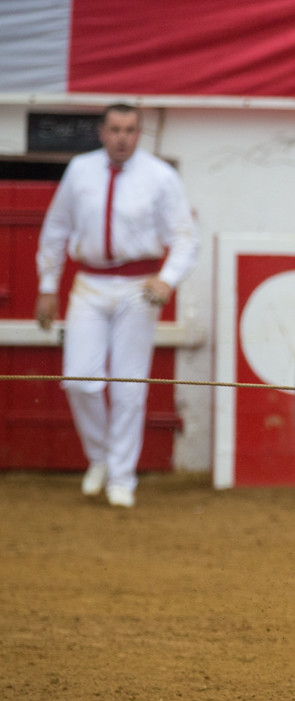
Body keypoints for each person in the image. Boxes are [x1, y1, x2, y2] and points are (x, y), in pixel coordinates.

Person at [34, 104, 199, 508]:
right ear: (102, 132)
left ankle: (121, 477)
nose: (123, 137)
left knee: (128, 385)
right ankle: (102, 459)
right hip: (89, 282)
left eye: (130, 130)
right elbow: (56, 227)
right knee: (79, 379)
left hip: (139, 287)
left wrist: (167, 277)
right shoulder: (79, 170)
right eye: (115, 129)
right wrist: (48, 284)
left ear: (139, 134)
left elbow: (185, 237)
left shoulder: (160, 175)